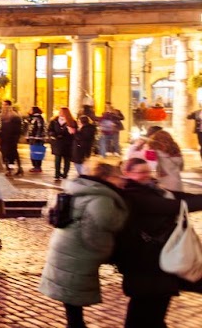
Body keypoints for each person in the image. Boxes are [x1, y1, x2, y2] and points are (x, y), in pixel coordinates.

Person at [114, 154, 202, 328]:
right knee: (143, 311)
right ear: (127, 173)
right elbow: (173, 206)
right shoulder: (133, 195)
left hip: (158, 261)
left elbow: (182, 197)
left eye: (147, 171)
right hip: (144, 263)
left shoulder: (155, 190)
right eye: (140, 173)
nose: (146, 175)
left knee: (154, 309)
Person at [39, 161, 129, 328]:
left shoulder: (79, 188)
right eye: (118, 177)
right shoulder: (102, 198)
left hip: (64, 245)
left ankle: (75, 324)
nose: (121, 181)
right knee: (72, 291)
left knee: (70, 294)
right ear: (107, 177)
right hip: (77, 251)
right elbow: (110, 222)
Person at [48, 107, 78, 181]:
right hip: (57, 142)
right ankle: (57, 173)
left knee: (67, 159)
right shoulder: (54, 121)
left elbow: (74, 132)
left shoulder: (72, 121)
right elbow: (50, 130)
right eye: (60, 111)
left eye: (62, 112)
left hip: (67, 143)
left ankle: (65, 174)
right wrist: (53, 134)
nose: (60, 113)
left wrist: (68, 132)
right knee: (57, 159)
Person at [0, 101, 23, 175]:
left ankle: (19, 168)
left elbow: (18, 127)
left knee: (13, 153)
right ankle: (8, 169)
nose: (4, 106)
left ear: (9, 105)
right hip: (2, 137)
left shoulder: (15, 115)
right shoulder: (0, 114)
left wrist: (17, 137)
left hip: (11, 137)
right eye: (3, 104)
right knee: (4, 153)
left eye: (6, 104)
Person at [73, 109, 98, 174]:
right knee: (79, 162)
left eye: (79, 121)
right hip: (82, 148)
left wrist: (75, 132)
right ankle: (82, 174)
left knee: (80, 163)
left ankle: (83, 175)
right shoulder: (85, 128)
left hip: (82, 148)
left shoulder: (88, 129)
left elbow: (82, 137)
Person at [25, 106, 49, 173]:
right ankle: (35, 166)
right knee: (33, 152)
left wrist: (37, 137)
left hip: (37, 139)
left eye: (31, 109)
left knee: (37, 152)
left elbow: (39, 128)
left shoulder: (38, 118)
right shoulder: (32, 118)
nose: (29, 110)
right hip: (33, 138)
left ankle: (37, 166)